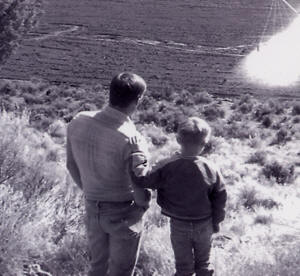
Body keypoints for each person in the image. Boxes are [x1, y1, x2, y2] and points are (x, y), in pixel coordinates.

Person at [66, 72, 151, 276]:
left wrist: (93, 194)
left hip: (92, 207)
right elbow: (143, 194)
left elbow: (71, 165)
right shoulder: (132, 140)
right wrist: (141, 207)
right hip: (123, 213)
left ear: (110, 93)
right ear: (137, 100)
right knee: (120, 271)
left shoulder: (78, 120)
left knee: (97, 267)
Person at [130, 117, 227, 276]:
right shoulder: (211, 168)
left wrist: (137, 157)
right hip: (204, 224)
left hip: (179, 224)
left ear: (178, 139)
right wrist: (216, 223)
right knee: (203, 264)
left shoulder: (167, 165)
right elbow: (220, 198)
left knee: (183, 268)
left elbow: (143, 180)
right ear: (204, 144)